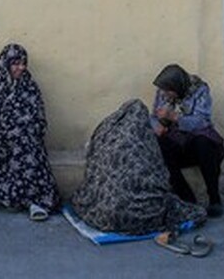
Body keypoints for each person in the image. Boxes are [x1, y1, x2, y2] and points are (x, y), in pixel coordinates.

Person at [70, 99, 207, 235]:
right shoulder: (144, 140)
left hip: (105, 212)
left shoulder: (107, 135)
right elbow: (159, 172)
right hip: (138, 215)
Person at [0, 43, 60, 221]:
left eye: (23, 63)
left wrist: (23, 128)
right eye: (16, 63)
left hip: (23, 137)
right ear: (5, 64)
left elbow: (39, 117)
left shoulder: (29, 87)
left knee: (25, 146)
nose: (21, 68)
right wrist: (2, 129)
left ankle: (33, 202)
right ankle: (9, 196)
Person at [151, 63, 224, 218]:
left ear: (178, 85)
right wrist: (158, 125)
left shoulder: (200, 90)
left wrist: (174, 117)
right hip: (176, 140)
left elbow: (201, 121)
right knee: (160, 146)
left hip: (196, 140)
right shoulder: (163, 91)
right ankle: (186, 198)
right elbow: (154, 115)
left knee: (204, 144)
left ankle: (214, 199)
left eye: (169, 90)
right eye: (164, 90)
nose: (165, 94)